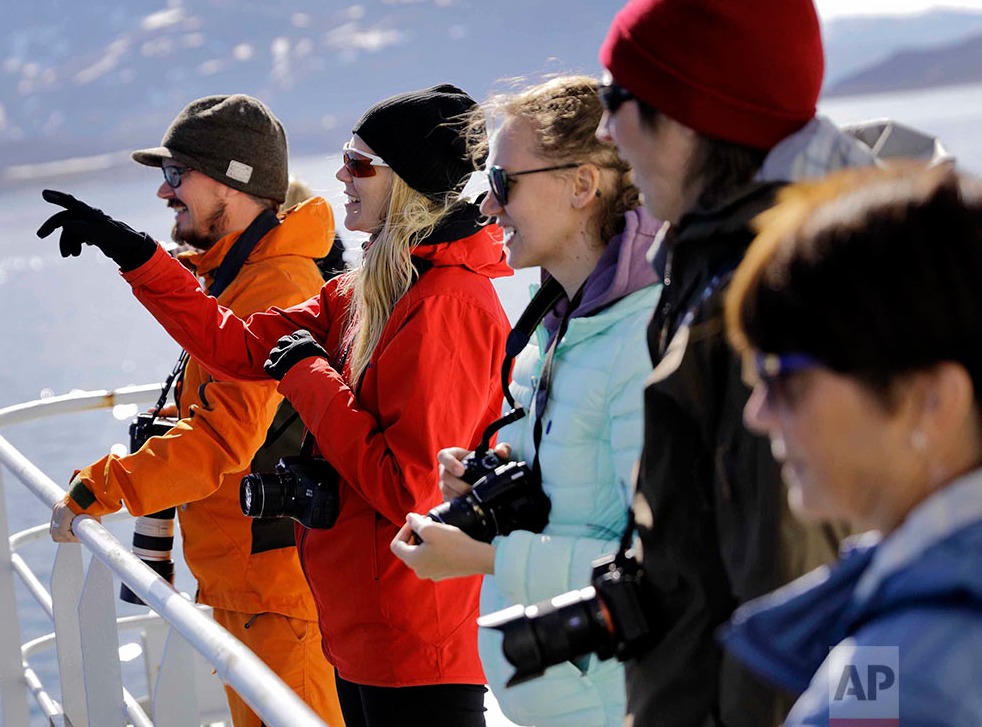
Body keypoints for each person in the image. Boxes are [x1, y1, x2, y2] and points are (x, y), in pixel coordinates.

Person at [39, 84, 512, 727]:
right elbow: (236, 345)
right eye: (346, 156)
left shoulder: (448, 304)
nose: (339, 174)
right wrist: (134, 254)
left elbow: (410, 487)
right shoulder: (365, 290)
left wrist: (307, 373)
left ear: (405, 183)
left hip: (413, 631)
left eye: (360, 163)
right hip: (357, 620)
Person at [593, 0, 850, 726]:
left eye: (616, 96)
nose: (605, 131)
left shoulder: (761, 303)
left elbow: (790, 601)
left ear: (685, 120)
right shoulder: (713, 271)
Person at [44, 94, 344, 727]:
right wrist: (134, 252)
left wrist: (103, 486)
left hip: (279, 596)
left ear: (232, 182)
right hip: (250, 587)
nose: (163, 192)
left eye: (177, 175)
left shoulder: (277, 283)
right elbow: (205, 302)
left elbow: (222, 440)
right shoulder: (242, 273)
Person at [390, 75, 658, 726]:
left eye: (503, 183)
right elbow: (574, 493)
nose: (487, 208)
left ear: (581, 185)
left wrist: (483, 557)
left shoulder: (643, 342)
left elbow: (654, 575)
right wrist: (489, 476)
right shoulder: (555, 325)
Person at [719, 166, 982, 725]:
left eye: (782, 378)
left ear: (931, 400)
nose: (758, 414)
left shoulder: (905, 676)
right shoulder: (910, 619)